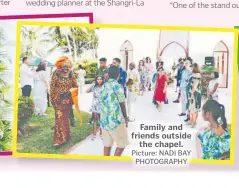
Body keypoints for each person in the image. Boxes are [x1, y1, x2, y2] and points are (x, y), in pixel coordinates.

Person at [100, 65, 128, 156]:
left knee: (107, 145)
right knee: (121, 144)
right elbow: (122, 103)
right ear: (118, 75)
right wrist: (125, 118)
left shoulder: (104, 85)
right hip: (115, 120)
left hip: (104, 120)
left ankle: (106, 165)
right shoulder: (117, 86)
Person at [50, 56, 78, 148]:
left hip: (68, 101)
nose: (66, 69)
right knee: (59, 119)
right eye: (64, 67)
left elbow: (75, 86)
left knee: (65, 119)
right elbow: (52, 87)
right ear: (60, 66)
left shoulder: (71, 74)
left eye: (68, 67)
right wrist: (53, 98)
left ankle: (67, 136)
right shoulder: (56, 73)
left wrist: (69, 92)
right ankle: (59, 140)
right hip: (58, 100)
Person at [86, 76, 104, 141]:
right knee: (95, 119)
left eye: (100, 79)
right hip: (95, 104)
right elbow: (87, 91)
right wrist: (92, 85)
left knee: (101, 120)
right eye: (98, 79)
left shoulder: (104, 87)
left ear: (102, 80)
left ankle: (101, 134)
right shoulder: (94, 87)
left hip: (101, 105)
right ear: (96, 80)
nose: (99, 80)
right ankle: (94, 134)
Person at [186, 63, 201, 127]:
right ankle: (191, 120)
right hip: (191, 93)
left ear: (194, 68)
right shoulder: (193, 75)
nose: (190, 68)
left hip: (194, 94)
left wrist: (192, 94)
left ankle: (194, 122)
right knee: (191, 108)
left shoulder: (197, 75)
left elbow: (195, 86)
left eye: (191, 67)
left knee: (194, 109)